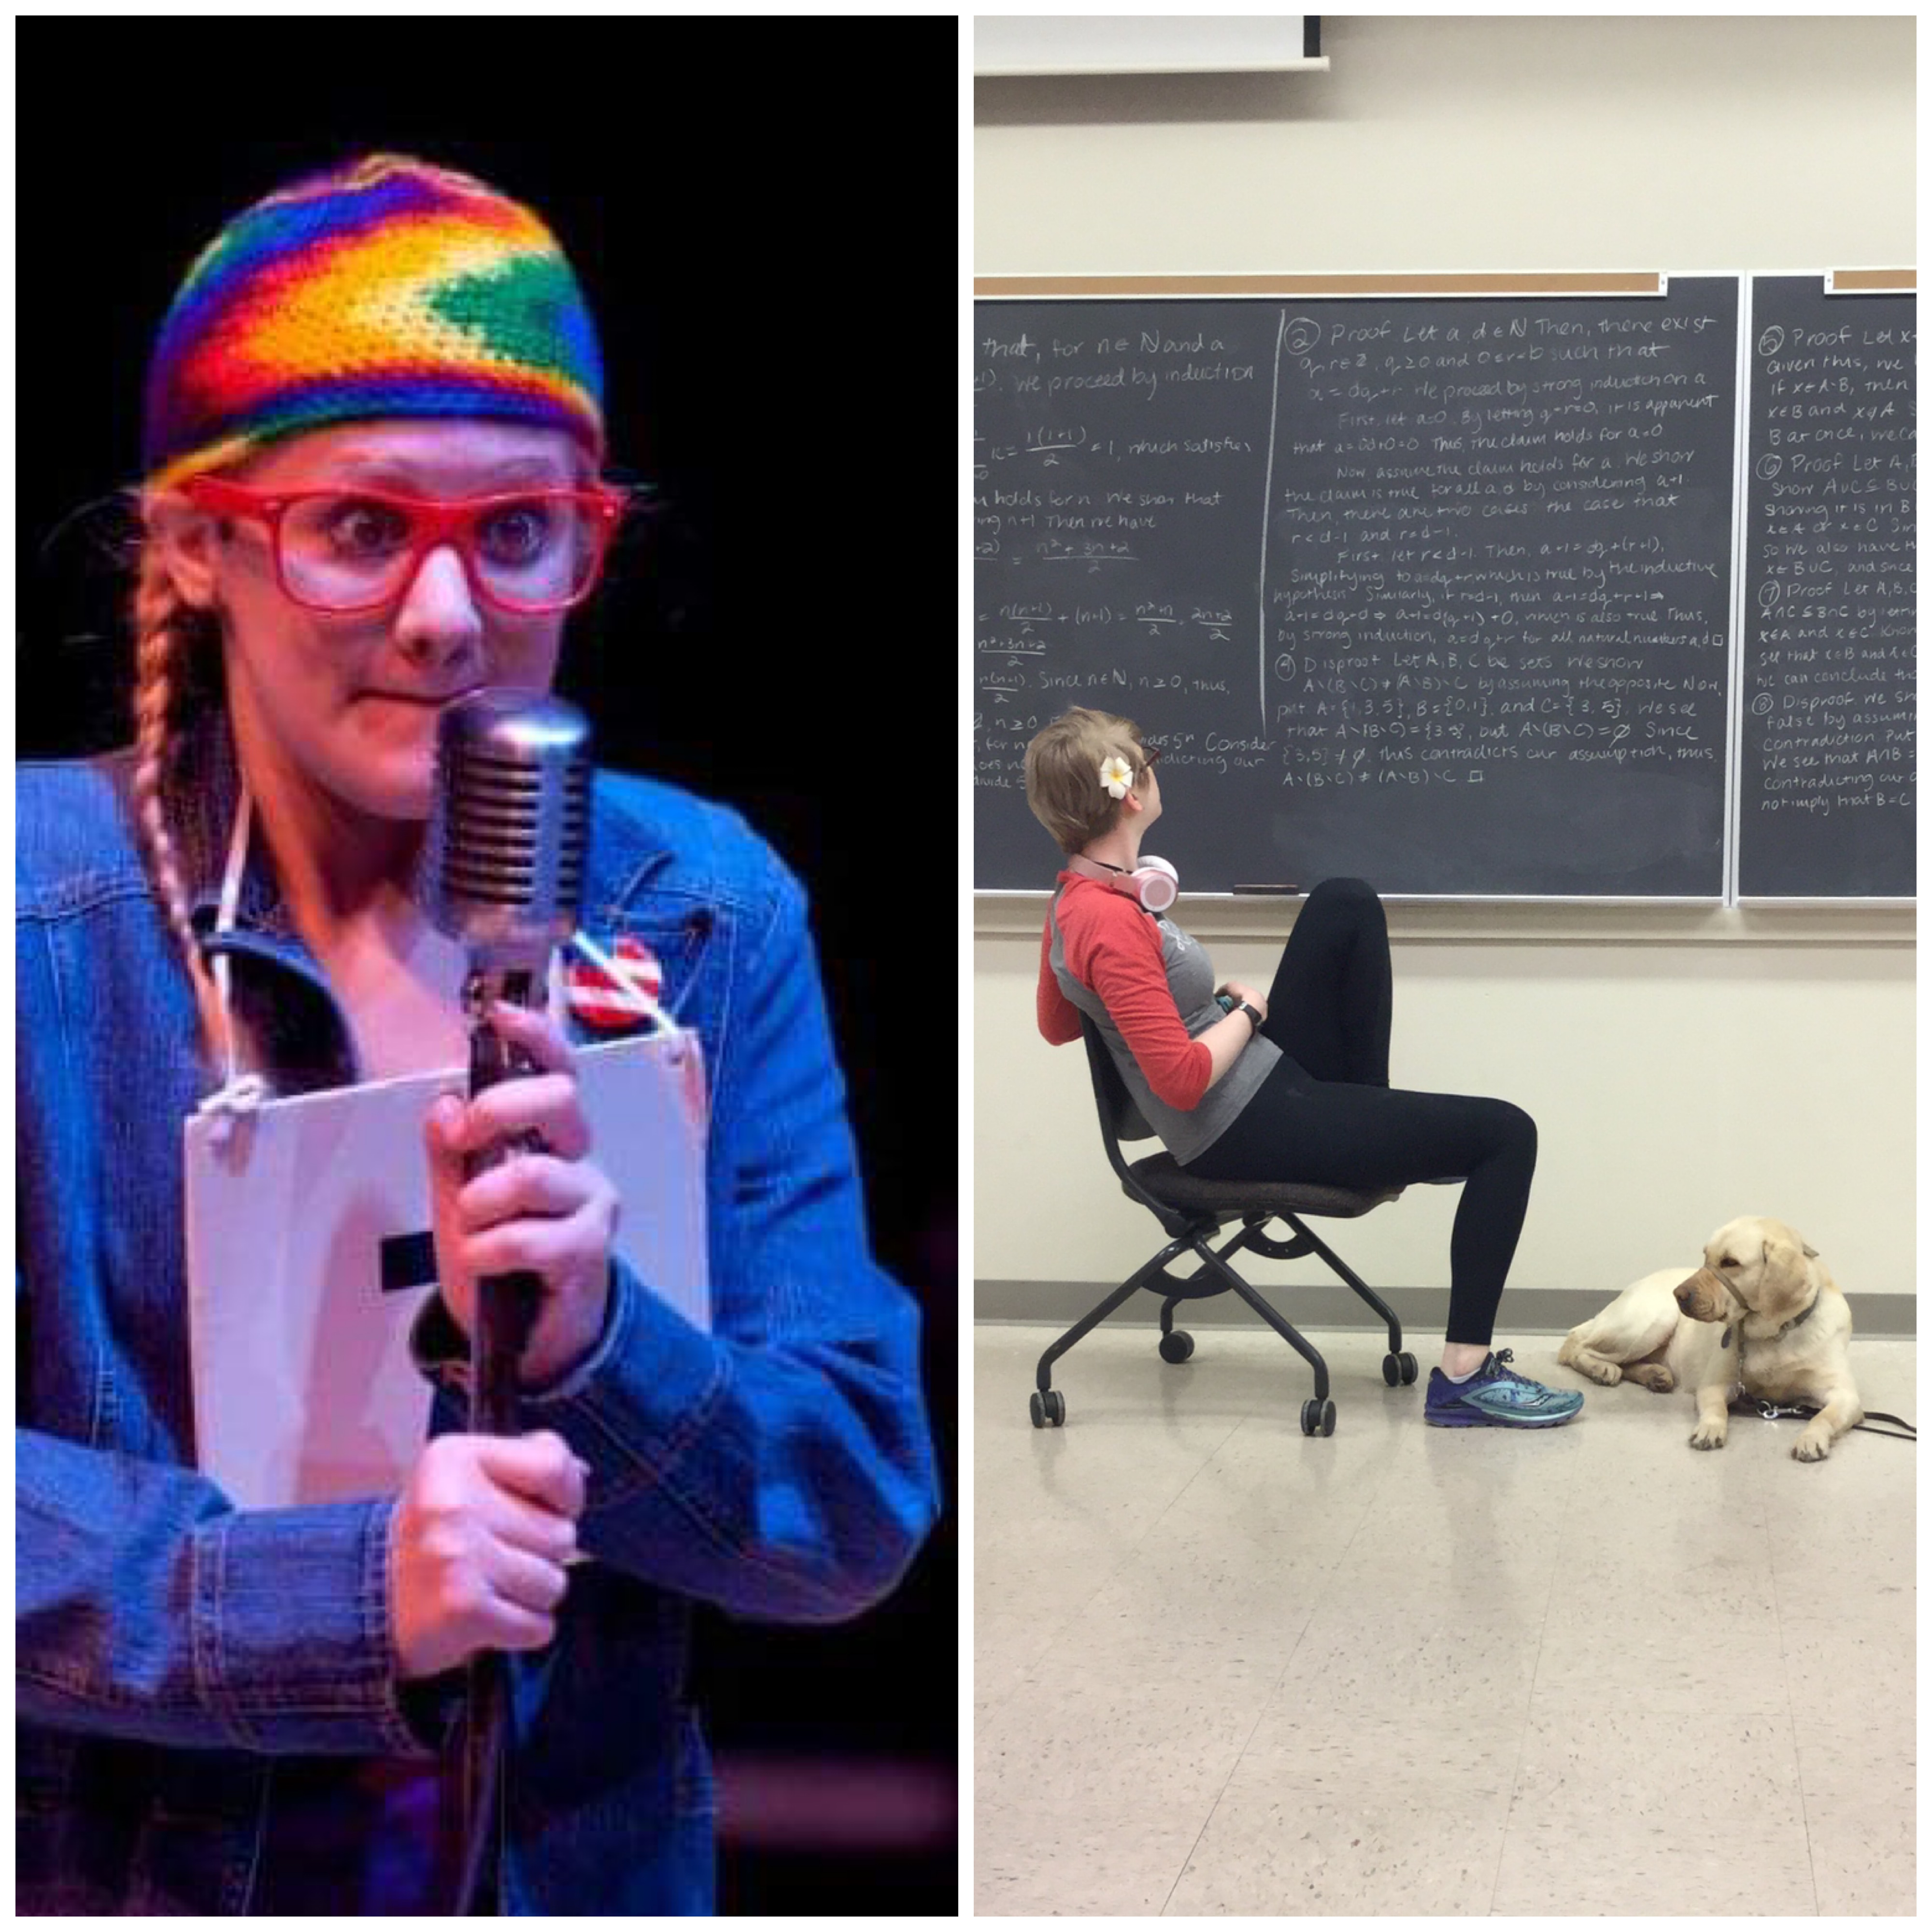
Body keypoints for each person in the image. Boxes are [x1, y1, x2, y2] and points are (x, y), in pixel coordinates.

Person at [16, 153, 938, 1916]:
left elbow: (848, 1506)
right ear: (200, 547)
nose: (448, 622)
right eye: (360, 529)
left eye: (516, 533)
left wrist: (606, 1344)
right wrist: (344, 1597)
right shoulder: (38, 920)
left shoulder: (703, 916)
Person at [1024, 705, 1582, 1430]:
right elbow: (1181, 1080)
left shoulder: (1083, 898)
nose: (1156, 768)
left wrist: (1173, 998)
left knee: (1343, 901)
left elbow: (1058, 1021)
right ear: (1129, 793)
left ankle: (1369, 1124)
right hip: (1236, 1124)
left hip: (1265, 1083)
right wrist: (1244, 1014)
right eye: (1147, 759)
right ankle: (1465, 1379)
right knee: (1509, 1134)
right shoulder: (1105, 920)